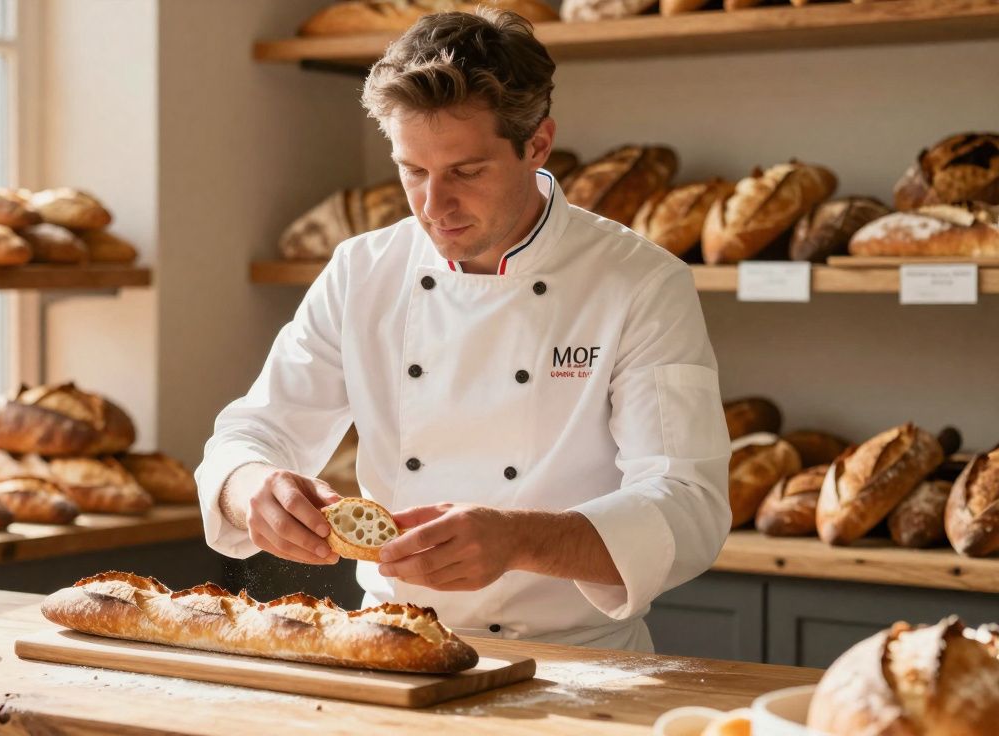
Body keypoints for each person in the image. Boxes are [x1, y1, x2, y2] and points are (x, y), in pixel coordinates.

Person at [195, 8, 730, 652]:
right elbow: (252, 432)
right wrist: (250, 487)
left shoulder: (641, 283)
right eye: (412, 171)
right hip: (390, 643)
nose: (433, 207)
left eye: (466, 172)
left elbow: (688, 504)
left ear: (537, 144)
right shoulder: (361, 271)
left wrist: (520, 539)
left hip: (578, 663)